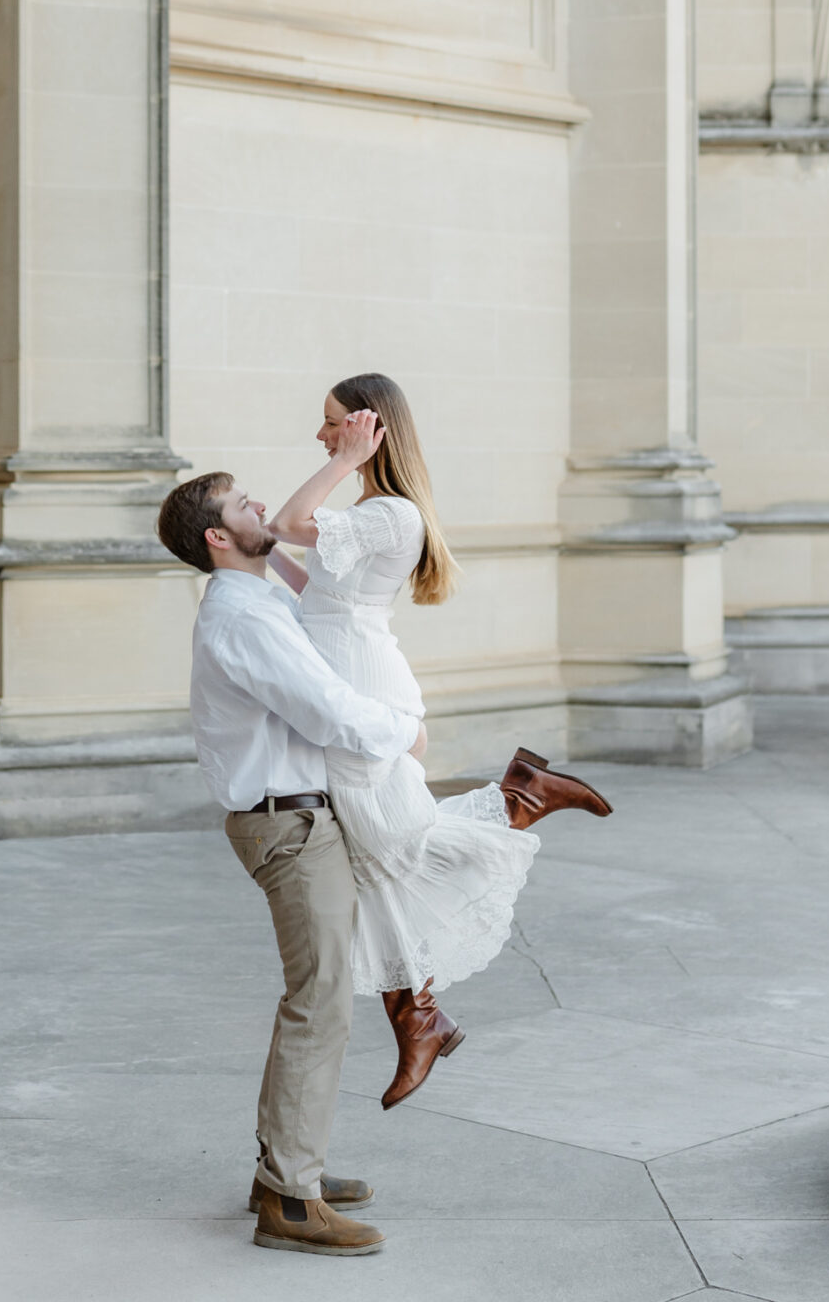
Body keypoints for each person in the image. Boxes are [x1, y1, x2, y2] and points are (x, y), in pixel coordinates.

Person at [265, 372, 613, 1108]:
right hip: (348, 683)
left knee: (384, 849)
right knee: (382, 849)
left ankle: (422, 1010)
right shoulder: (370, 511)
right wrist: (258, 553)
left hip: (363, 689)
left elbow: (298, 520)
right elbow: (319, 594)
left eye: (334, 423)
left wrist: (341, 462)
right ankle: (421, 1011)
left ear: (370, 428)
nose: (322, 435)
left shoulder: (389, 512)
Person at [157, 468, 424, 1258]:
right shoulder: (241, 618)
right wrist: (400, 733)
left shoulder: (261, 598)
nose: (260, 509)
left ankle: (284, 1169)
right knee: (322, 1003)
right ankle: (290, 1202)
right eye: (243, 507)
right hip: (289, 827)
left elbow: (338, 626)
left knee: (319, 997)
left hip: (299, 818)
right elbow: (325, 706)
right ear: (216, 537)